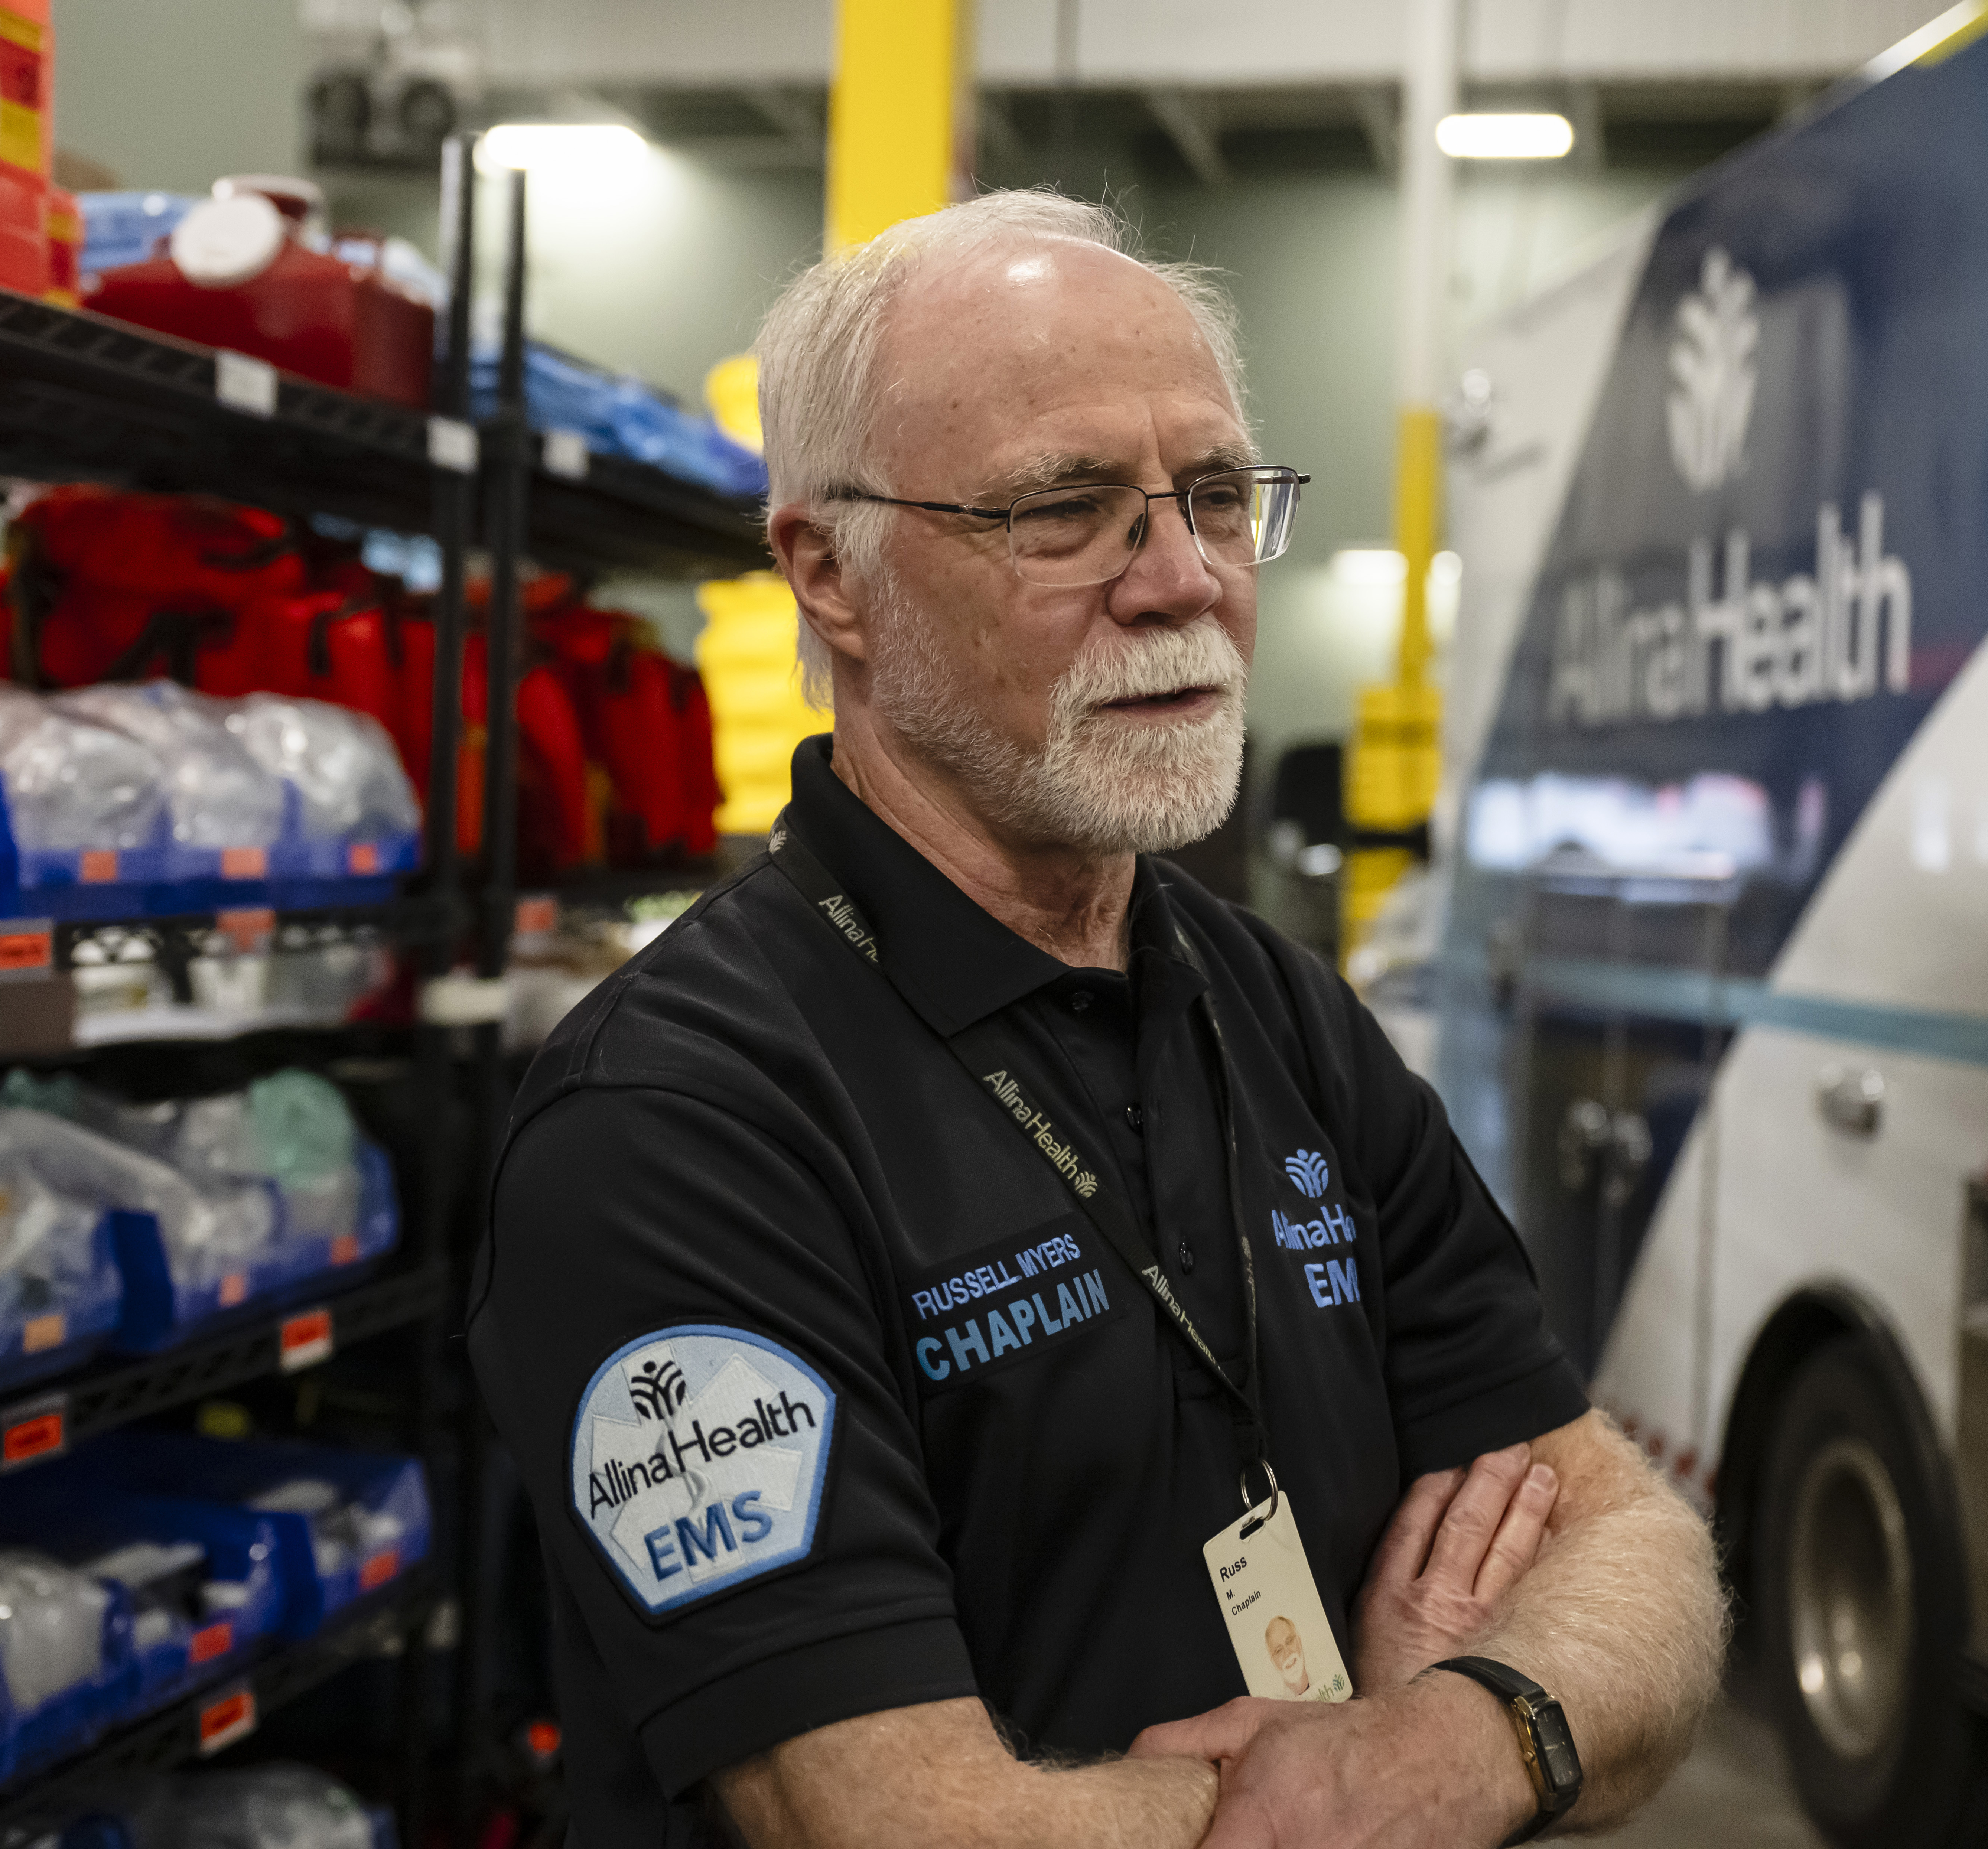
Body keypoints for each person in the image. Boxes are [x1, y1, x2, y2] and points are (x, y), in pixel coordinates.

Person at [470, 189, 1726, 1849]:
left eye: (1214, 495)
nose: (1182, 581)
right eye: (1064, 512)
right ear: (827, 573)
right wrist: (1361, 1761)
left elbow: (1634, 1544)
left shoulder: (1271, 1005)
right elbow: (902, 1821)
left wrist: (1445, 1747)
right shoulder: (674, 1122)